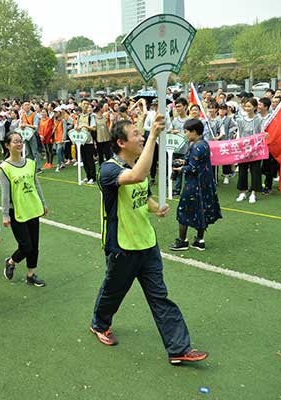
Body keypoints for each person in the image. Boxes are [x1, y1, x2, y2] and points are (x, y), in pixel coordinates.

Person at [89, 115, 208, 365]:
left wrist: (156, 208)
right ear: (121, 142)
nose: (141, 136)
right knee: (113, 291)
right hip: (123, 247)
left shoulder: (135, 166)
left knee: (160, 296)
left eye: (142, 133)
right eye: (136, 134)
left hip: (147, 245)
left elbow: (143, 195)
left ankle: (178, 348)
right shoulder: (109, 169)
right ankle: (99, 324)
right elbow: (137, 177)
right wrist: (154, 135)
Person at [0, 132, 48, 287]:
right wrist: (5, 214)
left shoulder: (30, 163)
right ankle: (11, 261)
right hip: (17, 211)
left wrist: (43, 204)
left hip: (32, 208)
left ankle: (31, 275)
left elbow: (36, 184)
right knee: (26, 246)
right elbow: (5, 194)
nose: (19, 144)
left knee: (35, 245)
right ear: (7, 145)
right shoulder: (4, 168)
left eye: (20, 141)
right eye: (15, 142)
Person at [169, 119, 222, 251]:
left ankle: (182, 241)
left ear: (194, 132)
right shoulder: (202, 143)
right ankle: (200, 240)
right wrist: (183, 161)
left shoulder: (197, 146)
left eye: (187, 131)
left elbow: (193, 168)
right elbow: (195, 162)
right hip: (205, 183)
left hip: (194, 184)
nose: (185, 134)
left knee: (183, 210)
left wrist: (180, 169)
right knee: (202, 210)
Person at [235, 98, 263, 204]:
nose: (247, 108)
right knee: (242, 170)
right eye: (246, 106)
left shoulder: (259, 119)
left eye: (249, 106)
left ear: (255, 107)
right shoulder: (241, 120)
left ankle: (253, 193)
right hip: (243, 149)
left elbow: (262, 131)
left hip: (255, 150)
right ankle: (242, 191)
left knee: (255, 171)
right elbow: (239, 133)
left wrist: (264, 135)